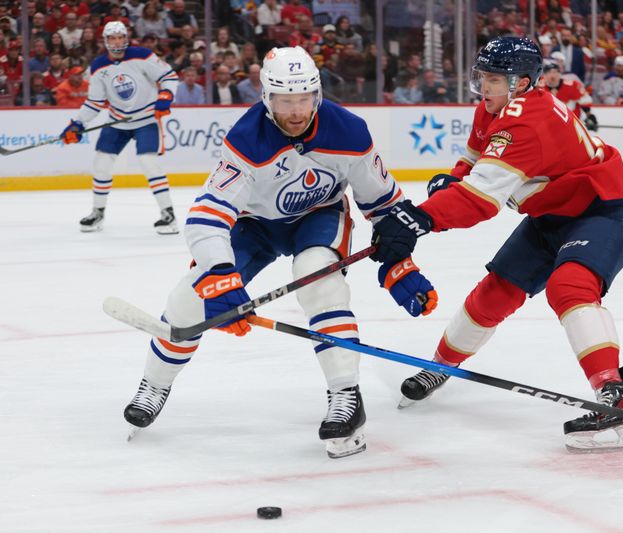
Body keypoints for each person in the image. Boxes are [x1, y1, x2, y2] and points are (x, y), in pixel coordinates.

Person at [122, 46, 438, 459]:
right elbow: (207, 215)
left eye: (304, 99)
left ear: (317, 95)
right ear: (266, 98)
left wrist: (400, 264)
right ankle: (154, 385)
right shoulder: (246, 139)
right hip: (254, 225)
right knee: (187, 302)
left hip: (319, 217)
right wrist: (219, 272)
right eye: (285, 101)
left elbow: (383, 204)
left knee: (319, 280)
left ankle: (346, 397)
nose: (295, 111)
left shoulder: (350, 131)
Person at [370, 37, 623, 453]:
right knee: (495, 293)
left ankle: (613, 394)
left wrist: (420, 217)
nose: (484, 87)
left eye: (494, 79)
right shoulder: (496, 106)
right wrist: (453, 178)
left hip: (601, 214)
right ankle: (440, 366)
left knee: (568, 287)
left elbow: (481, 200)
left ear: (522, 83)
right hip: (550, 217)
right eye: (483, 77)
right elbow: (474, 160)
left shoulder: (526, 120)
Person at [60, 21, 181, 233]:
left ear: (126, 38)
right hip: (117, 121)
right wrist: (77, 123)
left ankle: (168, 215)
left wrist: (166, 95)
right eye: (112, 38)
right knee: (101, 164)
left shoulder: (142, 55)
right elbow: (94, 102)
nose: (117, 41)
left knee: (148, 162)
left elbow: (169, 76)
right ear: (105, 41)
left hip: (146, 120)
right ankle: (97, 213)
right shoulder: (98, 66)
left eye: (120, 37)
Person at [540, 60, 596, 130]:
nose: (552, 75)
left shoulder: (572, 85)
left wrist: (589, 116)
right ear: (544, 75)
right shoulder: (539, 87)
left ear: (559, 74)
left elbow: (585, 101)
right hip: (549, 125)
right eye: (549, 72)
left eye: (554, 72)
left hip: (572, 125)